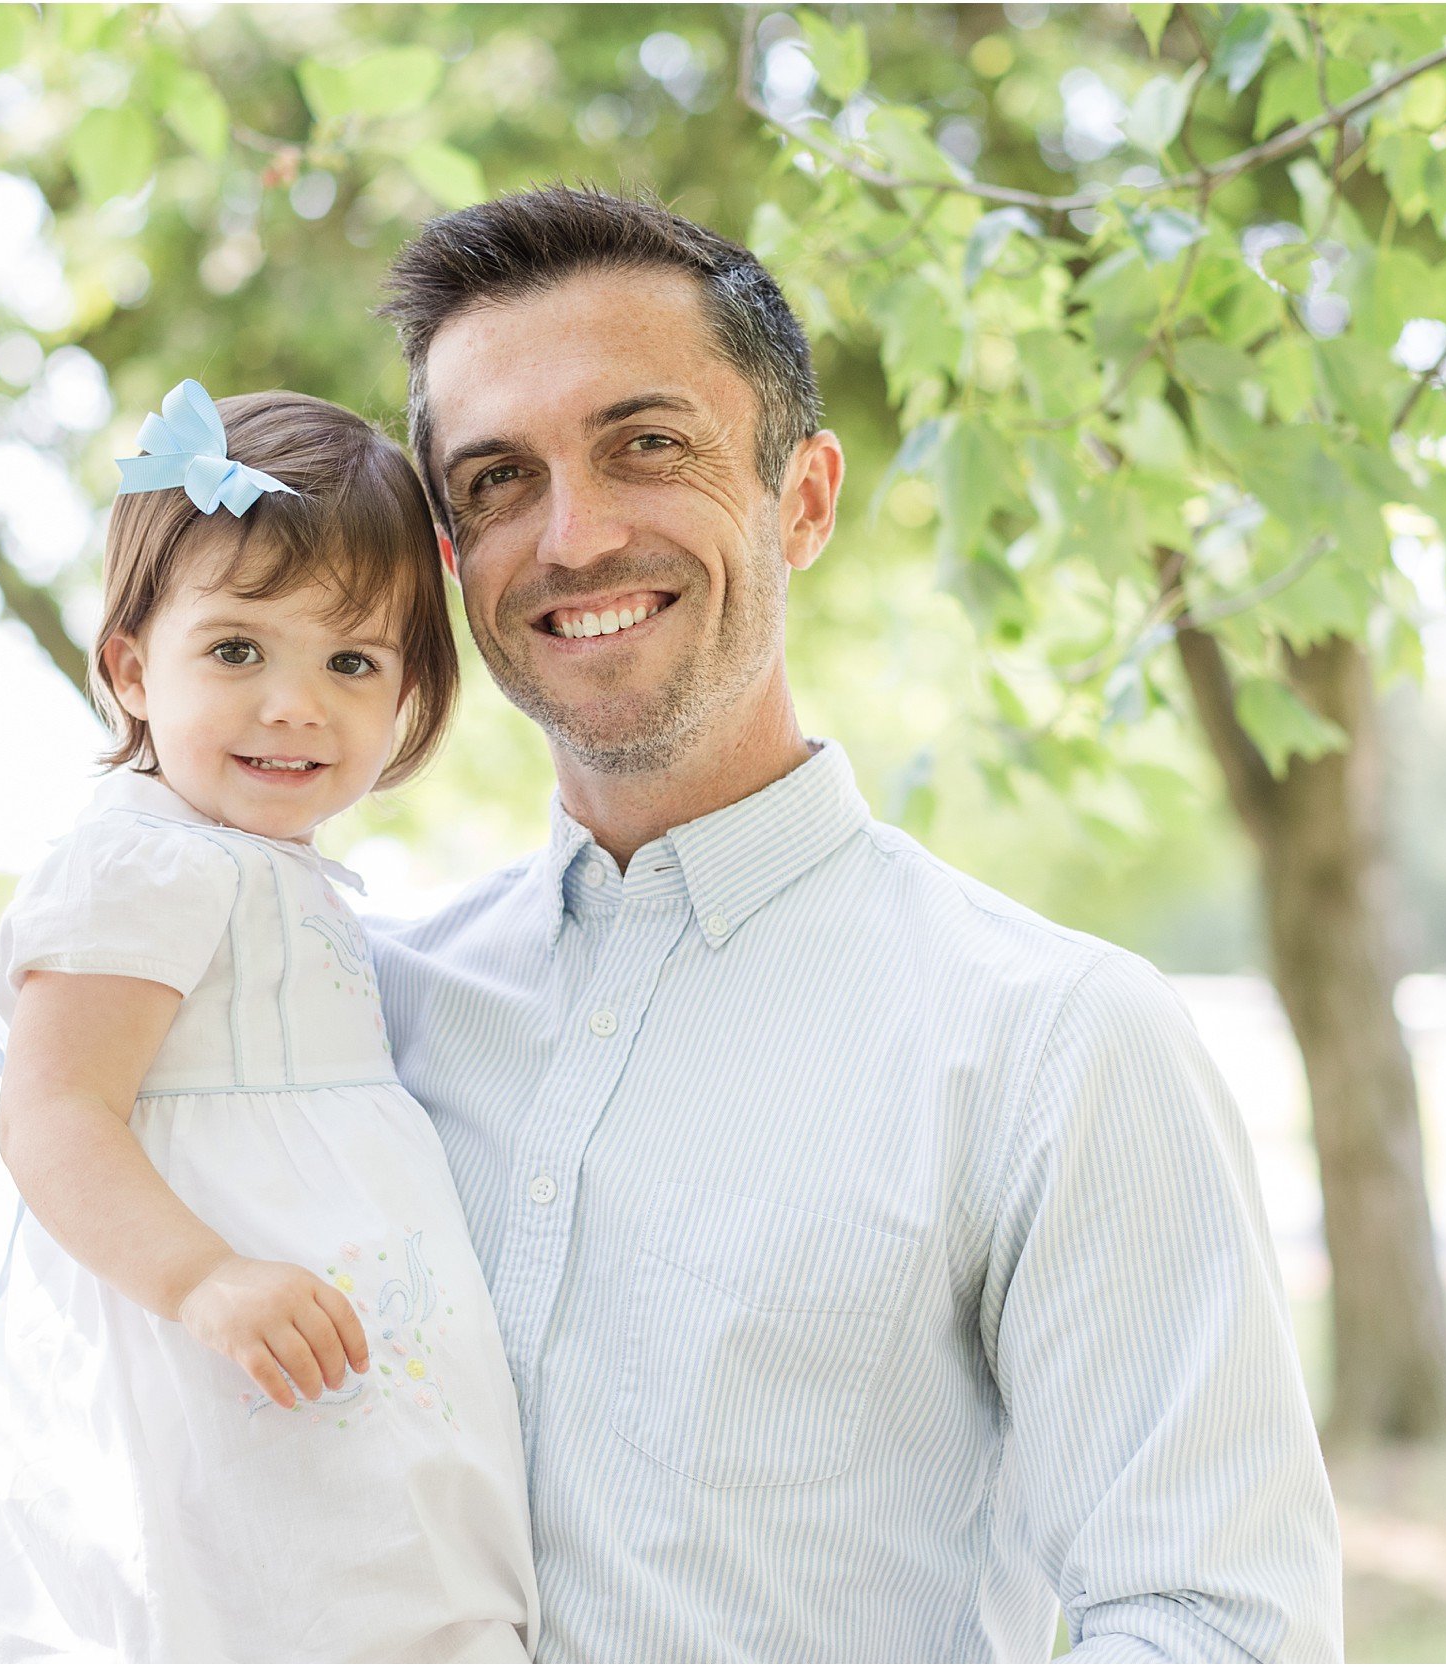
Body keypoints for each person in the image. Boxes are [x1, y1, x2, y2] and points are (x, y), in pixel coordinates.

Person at [367, 185, 1344, 1662]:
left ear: (803, 497)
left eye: (647, 444)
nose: (573, 535)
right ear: (453, 559)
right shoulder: (372, 1011)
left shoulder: (1054, 1037)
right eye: (498, 479)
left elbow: (1218, 1619)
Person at [0, 380, 538, 1662]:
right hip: (216, 1346)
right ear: (134, 666)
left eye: (349, 661)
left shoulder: (268, 866)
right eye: (238, 649)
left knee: (368, 1580)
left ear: (407, 694)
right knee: (246, 1597)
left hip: (335, 1359)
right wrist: (202, 1277)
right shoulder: (144, 859)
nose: (293, 703)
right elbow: (54, 1110)